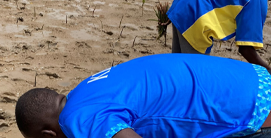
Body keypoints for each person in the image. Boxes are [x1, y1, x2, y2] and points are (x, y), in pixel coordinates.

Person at [15, 54, 271, 138]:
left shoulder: (75, 118)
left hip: (250, 110)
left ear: (48, 137)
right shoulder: (83, 91)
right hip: (251, 77)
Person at [162, 0, 271, 72]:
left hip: (181, 4)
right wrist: (268, 70)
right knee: (195, 76)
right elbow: (246, 48)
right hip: (196, 17)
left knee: (178, 69)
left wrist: (175, 9)